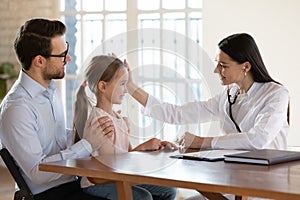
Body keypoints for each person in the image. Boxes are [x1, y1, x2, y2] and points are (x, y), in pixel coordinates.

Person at [0, 18, 113, 200]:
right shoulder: (16, 109)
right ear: (39, 61)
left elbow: (57, 139)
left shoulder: (50, 90)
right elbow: (38, 172)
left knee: (161, 191)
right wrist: (87, 144)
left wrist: (90, 131)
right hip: (50, 194)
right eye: (62, 55)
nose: (68, 58)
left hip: (72, 182)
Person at [126, 33, 289, 151]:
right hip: (234, 173)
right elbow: (177, 114)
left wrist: (203, 142)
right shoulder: (228, 96)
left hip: (267, 181)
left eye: (223, 66)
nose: (216, 70)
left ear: (245, 66)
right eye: (217, 63)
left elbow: (258, 139)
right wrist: (131, 87)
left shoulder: (276, 94)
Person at [73, 55, 178, 200]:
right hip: (99, 182)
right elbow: (112, 168)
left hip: (117, 177)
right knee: (143, 197)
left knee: (169, 190)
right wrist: (143, 148)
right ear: (103, 86)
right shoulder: (102, 123)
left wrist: (149, 146)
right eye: (122, 84)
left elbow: (127, 153)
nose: (126, 90)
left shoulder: (118, 118)